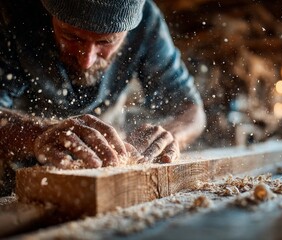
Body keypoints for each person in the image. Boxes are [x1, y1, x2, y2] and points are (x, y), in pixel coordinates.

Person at [0, 0, 206, 172]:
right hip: (15, 166)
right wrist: (39, 134)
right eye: (71, 36)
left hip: (107, 167)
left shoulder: (147, 20)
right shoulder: (10, 14)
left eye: (106, 42)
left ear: (128, 31)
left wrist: (170, 137)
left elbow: (192, 111)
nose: (86, 60)